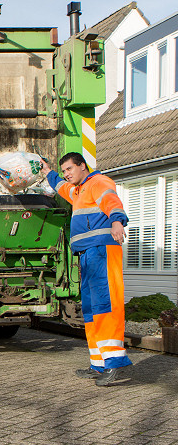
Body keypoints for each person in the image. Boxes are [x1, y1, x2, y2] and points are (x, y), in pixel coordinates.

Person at [42, 152, 132, 387]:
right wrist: (48, 173)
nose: (67, 174)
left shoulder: (98, 182)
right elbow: (62, 188)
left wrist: (116, 221)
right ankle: (99, 364)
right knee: (92, 310)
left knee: (106, 305)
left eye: (70, 169)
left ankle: (113, 364)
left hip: (102, 249)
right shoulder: (79, 191)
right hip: (88, 254)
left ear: (83, 166)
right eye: (64, 171)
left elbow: (112, 200)